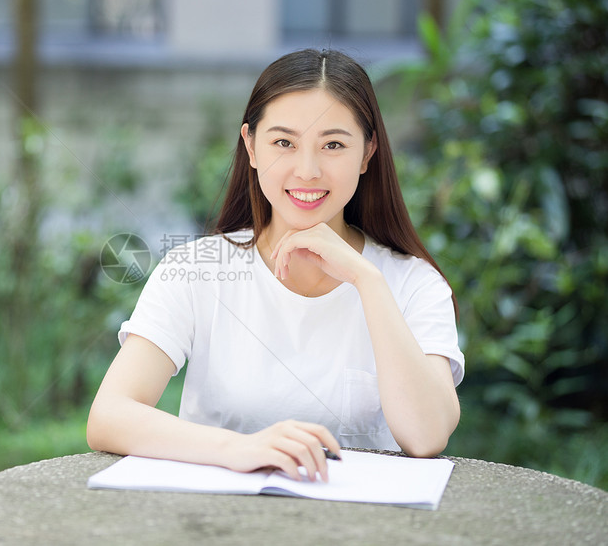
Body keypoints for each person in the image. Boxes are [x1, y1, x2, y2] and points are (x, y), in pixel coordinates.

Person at [87, 49, 464, 483]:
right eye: (283, 142)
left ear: (367, 153)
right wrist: (240, 449)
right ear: (250, 146)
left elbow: (428, 436)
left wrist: (366, 279)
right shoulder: (196, 270)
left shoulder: (412, 284)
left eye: (334, 145)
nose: (307, 170)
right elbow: (109, 415)